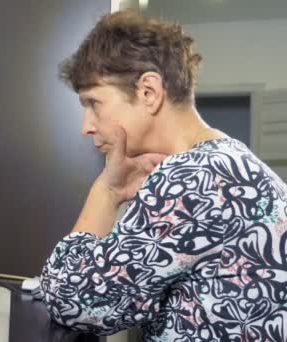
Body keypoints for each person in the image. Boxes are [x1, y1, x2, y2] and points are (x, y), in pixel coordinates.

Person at [40, 10, 287, 341]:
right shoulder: (229, 161)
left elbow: (71, 299)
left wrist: (107, 191)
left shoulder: (192, 178)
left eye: (94, 103)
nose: (87, 126)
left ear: (148, 92)